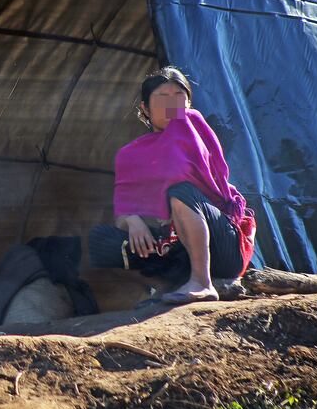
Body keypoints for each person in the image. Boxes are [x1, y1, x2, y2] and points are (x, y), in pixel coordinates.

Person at [88, 67, 256, 304]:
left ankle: (202, 282)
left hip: (220, 245)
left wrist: (182, 117)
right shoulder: (130, 155)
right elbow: (122, 212)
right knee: (100, 240)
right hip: (173, 248)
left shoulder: (191, 128)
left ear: (188, 103)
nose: (172, 103)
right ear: (145, 108)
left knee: (181, 190)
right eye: (162, 97)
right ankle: (163, 287)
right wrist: (133, 220)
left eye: (179, 96)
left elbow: (186, 175)